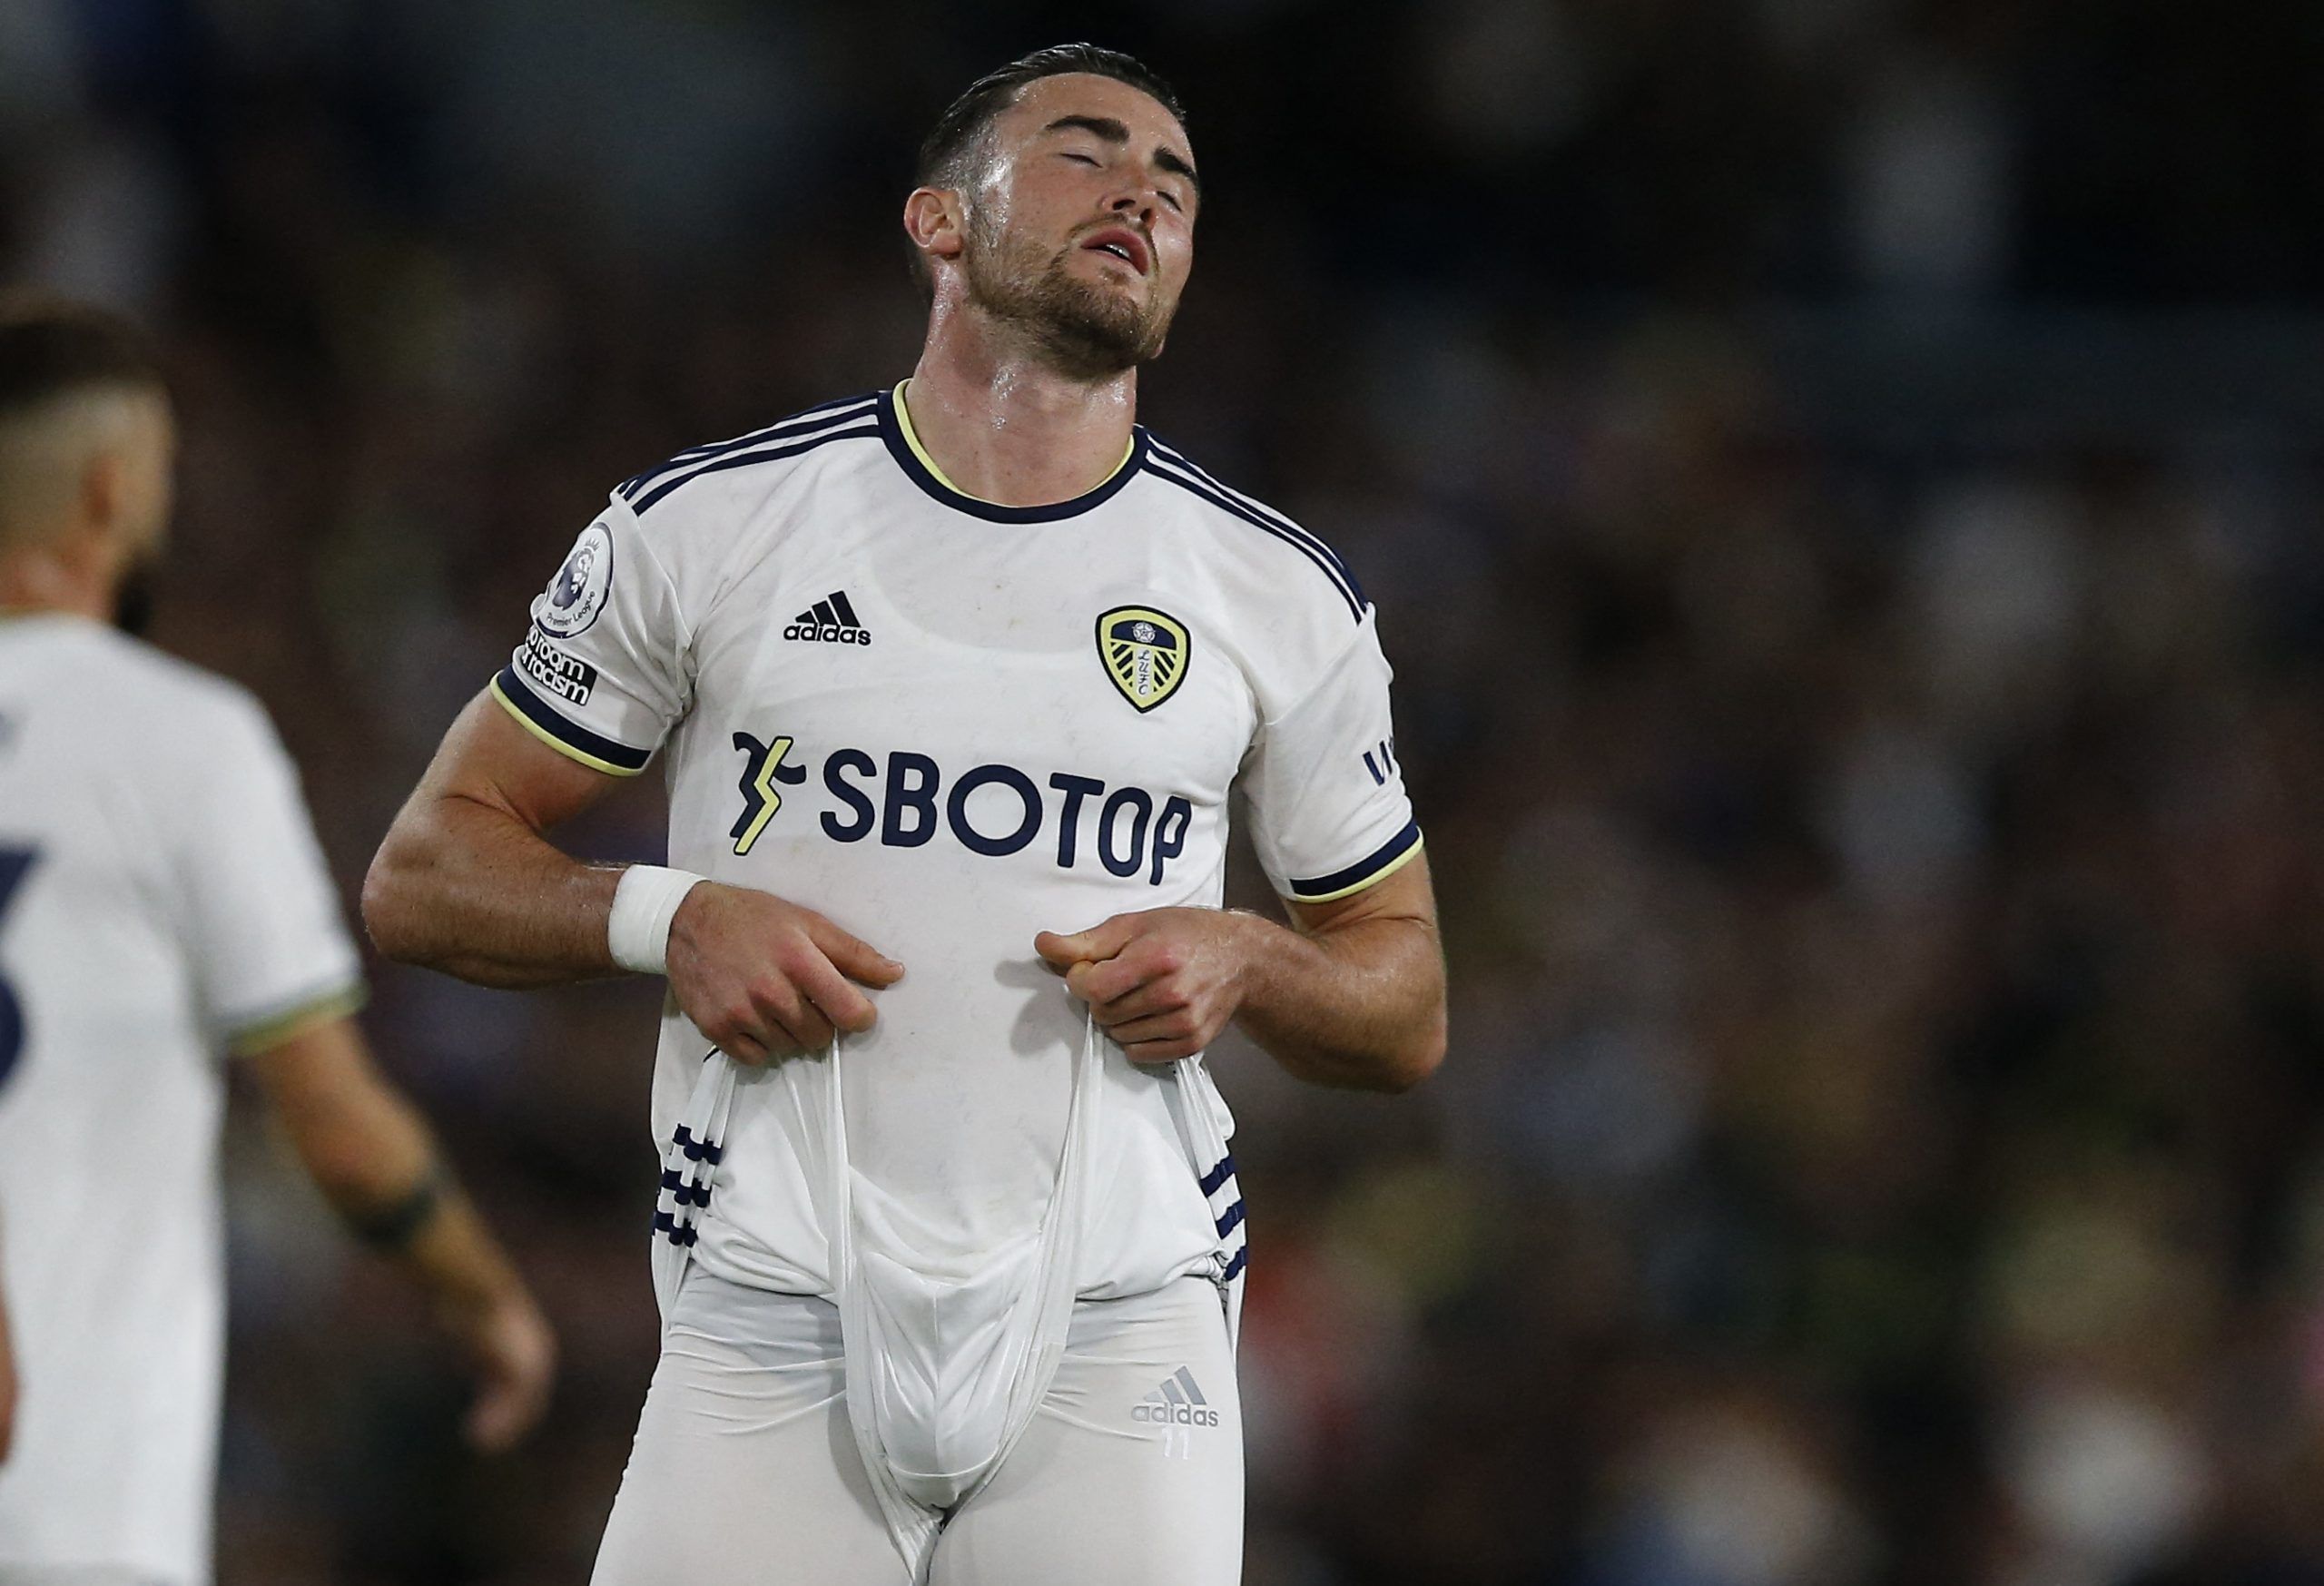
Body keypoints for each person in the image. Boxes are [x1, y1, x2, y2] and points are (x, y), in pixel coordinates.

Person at [363, 41, 1444, 1586]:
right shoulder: (711, 529)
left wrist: (1254, 961)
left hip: (1120, 1316)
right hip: (772, 1293)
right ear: (940, 220)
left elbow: (1403, 1004)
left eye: (1178, 184)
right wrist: (672, 919)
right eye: (1087, 151)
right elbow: (423, 870)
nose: (1142, 190)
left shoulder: (1280, 596)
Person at [0, 297, 556, 1586]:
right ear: (108, 493)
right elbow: (340, 1128)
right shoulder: (183, 742)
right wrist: (479, 1291)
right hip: (71, 1491)